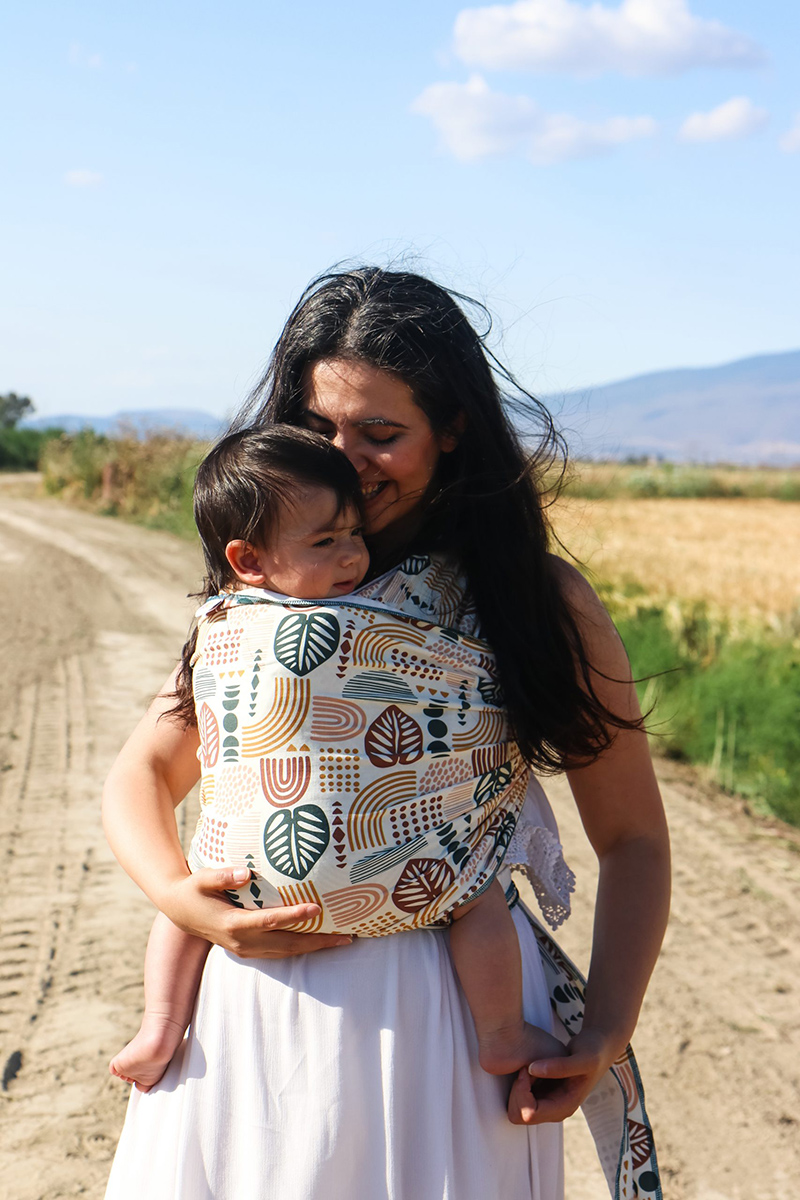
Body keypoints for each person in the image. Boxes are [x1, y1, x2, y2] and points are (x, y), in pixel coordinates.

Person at [103, 267, 670, 1200]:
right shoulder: (257, 603)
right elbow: (143, 775)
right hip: (251, 1013)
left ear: (451, 432)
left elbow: (636, 838)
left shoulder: (532, 601)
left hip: (451, 1025)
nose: (346, 458)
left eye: (380, 433)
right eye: (321, 428)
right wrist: (186, 902)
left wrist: (608, 1024)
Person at [109, 424, 565, 1111]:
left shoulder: (243, 614)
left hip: (347, 887)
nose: (353, 555)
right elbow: (145, 766)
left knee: (477, 895)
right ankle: (162, 1025)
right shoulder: (233, 626)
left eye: (354, 536)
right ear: (250, 559)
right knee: (473, 890)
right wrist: (176, 893)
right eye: (327, 542)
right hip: (363, 892)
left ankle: (498, 1031)